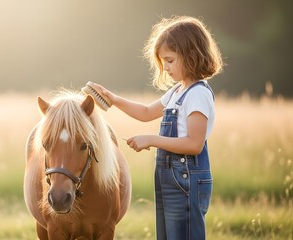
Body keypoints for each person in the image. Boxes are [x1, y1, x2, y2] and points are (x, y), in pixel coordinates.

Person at [94, 16, 223, 239]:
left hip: (187, 180)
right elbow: (145, 112)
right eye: (163, 61)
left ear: (191, 55)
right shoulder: (177, 91)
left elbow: (194, 144)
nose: (165, 67)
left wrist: (151, 140)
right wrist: (113, 99)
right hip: (169, 178)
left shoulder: (198, 94)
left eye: (170, 60)